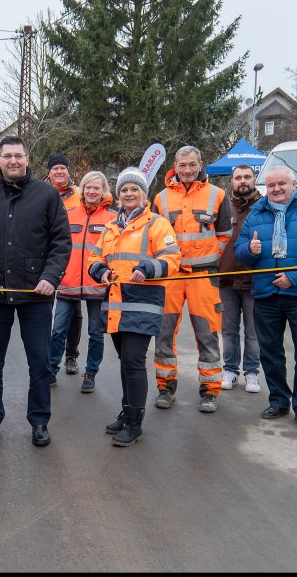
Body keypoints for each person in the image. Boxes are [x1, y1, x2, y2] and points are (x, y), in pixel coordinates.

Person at [0, 135, 72, 447]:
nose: (13, 161)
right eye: (7, 156)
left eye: (18, 156)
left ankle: (39, 421)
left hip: (37, 295)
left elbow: (62, 243)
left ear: (27, 159)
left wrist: (51, 277)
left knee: (40, 364)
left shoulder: (47, 195)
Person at [235, 166, 297, 430]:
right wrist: (250, 249)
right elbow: (240, 252)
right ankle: (279, 400)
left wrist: (294, 276)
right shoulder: (256, 213)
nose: (276, 189)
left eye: (281, 184)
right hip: (267, 294)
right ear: (264, 188)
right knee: (270, 352)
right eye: (270, 185)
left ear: (293, 184)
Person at [87, 167, 181, 446]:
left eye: (134, 190)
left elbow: (172, 259)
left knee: (133, 361)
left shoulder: (157, 224)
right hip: (115, 302)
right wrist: (100, 270)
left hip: (142, 303)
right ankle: (127, 412)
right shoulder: (111, 227)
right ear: (118, 196)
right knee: (125, 362)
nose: (128, 194)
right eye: (124, 190)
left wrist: (149, 268)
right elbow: (94, 258)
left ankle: (135, 424)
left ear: (143, 195)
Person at [151, 145, 232, 413]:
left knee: (207, 334)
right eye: (182, 165)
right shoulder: (161, 198)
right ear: (174, 165)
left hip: (202, 278)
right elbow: (154, 238)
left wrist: (209, 261)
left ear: (200, 164)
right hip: (170, 277)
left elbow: (224, 236)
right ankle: (165, 387)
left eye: (191, 165)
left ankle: (210, 390)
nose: (186, 170)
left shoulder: (218, 195)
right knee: (164, 334)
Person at [49, 170, 116, 393]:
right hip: (68, 283)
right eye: (88, 187)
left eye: (97, 187)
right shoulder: (68, 214)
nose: (92, 191)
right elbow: (58, 246)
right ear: (82, 189)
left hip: (97, 284)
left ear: (103, 191)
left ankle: (90, 373)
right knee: (58, 330)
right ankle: (50, 370)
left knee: (95, 333)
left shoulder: (112, 218)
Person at [218, 164, 263, 393]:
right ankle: (230, 370)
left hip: (253, 279)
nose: (243, 181)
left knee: (253, 331)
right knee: (228, 330)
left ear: (254, 179)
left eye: (247, 177)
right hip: (226, 279)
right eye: (238, 177)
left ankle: (252, 373)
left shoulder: (264, 207)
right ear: (232, 181)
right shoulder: (223, 206)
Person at [45, 153, 84, 377]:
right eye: (55, 168)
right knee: (45, 309)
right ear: (48, 172)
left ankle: (71, 355)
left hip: (71, 257)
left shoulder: (78, 194)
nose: (59, 172)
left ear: (69, 172)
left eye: (63, 168)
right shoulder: (40, 191)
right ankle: (47, 356)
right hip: (44, 256)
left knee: (73, 310)